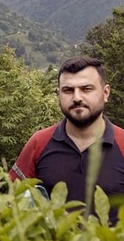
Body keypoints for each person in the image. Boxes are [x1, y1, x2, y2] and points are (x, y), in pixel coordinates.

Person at [9, 56, 124, 225]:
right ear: (58, 94)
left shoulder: (122, 143)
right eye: (68, 90)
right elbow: (12, 200)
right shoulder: (39, 142)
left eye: (86, 89)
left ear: (105, 93)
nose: (77, 97)